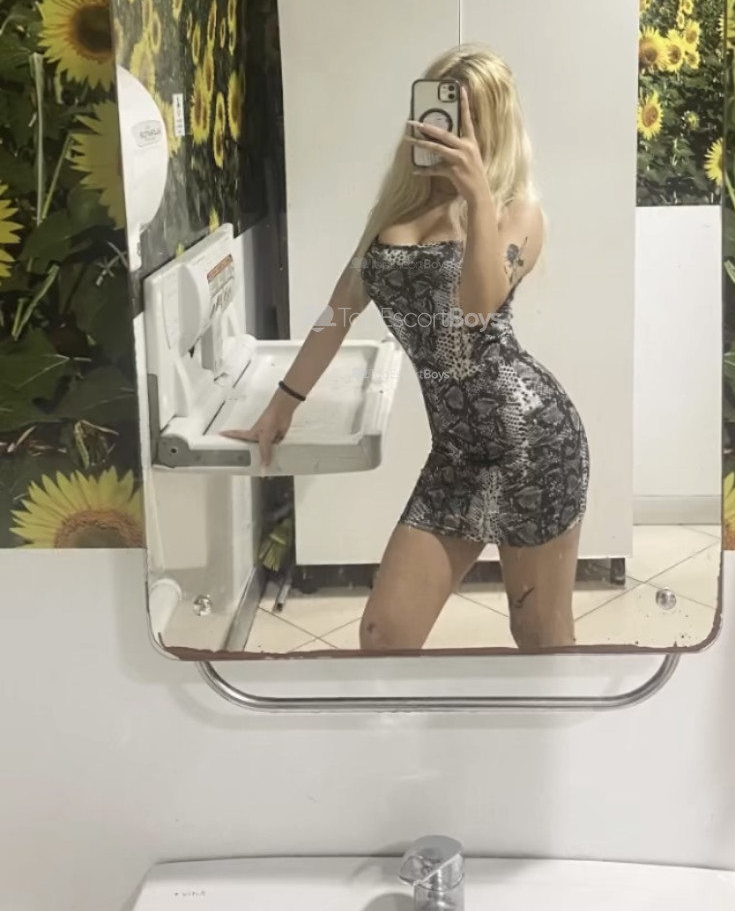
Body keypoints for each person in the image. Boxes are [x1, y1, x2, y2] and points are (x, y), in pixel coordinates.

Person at [223, 44, 589, 651]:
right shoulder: (397, 209)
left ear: (494, 127)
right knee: (383, 633)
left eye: (469, 118)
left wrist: (478, 199)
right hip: (457, 452)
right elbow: (340, 310)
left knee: (539, 633)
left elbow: (476, 310)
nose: (448, 130)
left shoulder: (518, 212)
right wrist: (283, 402)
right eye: (439, 111)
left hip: (532, 442)